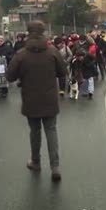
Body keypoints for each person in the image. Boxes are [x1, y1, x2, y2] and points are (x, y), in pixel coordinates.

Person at [6, 21, 66, 182]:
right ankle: (55, 167)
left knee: (35, 131)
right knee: (51, 130)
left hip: (30, 99)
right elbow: (63, 72)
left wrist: (22, 75)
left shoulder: (21, 54)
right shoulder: (53, 52)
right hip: (49, 99)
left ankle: (36, 161)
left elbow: (9, 76)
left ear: (28, 33)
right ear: (43, 32)